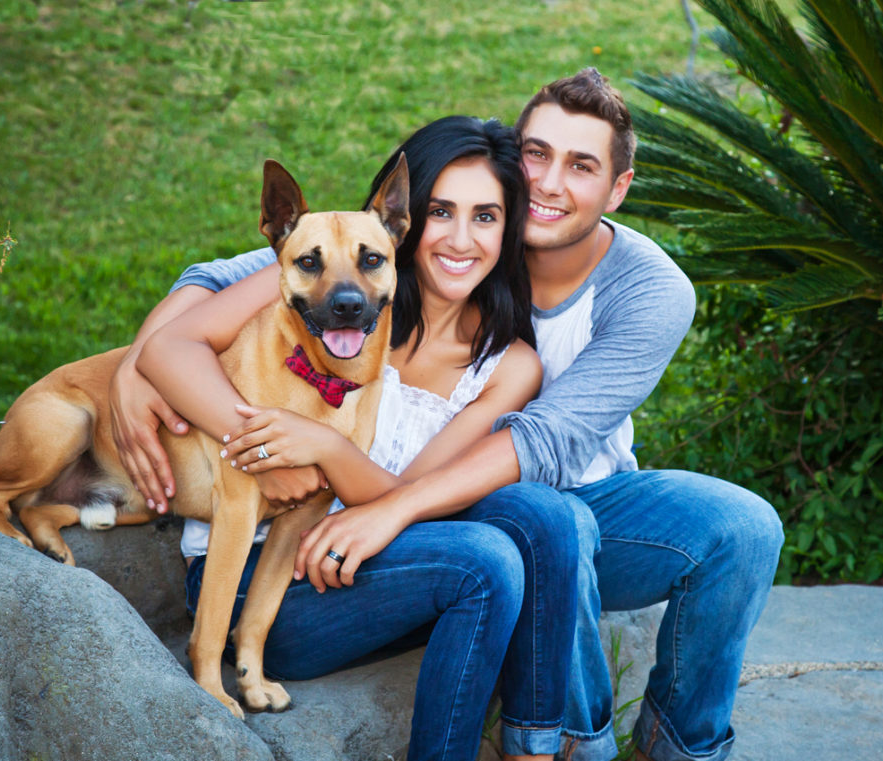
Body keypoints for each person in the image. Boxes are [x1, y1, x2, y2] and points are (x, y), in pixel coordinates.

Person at [115, 69, 785, 761]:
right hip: (358, 542)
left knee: (715, 524)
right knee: (517, 535)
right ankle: (565, 746)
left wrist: (365, 488)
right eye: (537, 156)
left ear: (617, 187)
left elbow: (541, 443)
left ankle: (652, 749)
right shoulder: (364, 277)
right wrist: (136, 373)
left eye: (580, 165)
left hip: (536, 500)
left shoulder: (624, 296)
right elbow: (243, 272)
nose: (550, 184)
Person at [134, 116, 581, 761]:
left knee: (541, 517)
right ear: (409, 218)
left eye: (486, 216)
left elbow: (406, 492)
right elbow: (172, 343)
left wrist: (322, 449)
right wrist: (145, 384)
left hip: (358, 560)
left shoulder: (503, 362)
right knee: (487, 562)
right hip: (258, 570)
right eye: (441, 213)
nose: (460, 238)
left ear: (511, 229)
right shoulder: (315, 291)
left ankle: (540, 747)